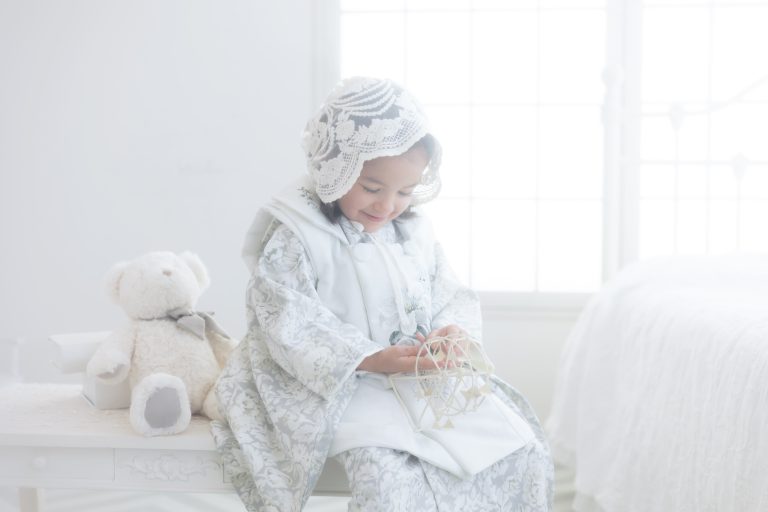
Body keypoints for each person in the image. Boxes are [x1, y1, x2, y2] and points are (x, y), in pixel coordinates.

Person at [212, 77, 553, 511]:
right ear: (335, 166)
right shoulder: (299, 233)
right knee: (386, 472)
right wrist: (369, 358)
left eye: (405, 191)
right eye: (372, 188)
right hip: (345, 382)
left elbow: (448, 291)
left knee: (518, 449)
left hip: (418, 377)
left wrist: (451, 333)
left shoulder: (412, 232)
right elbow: (285, 315)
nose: (387, 205)